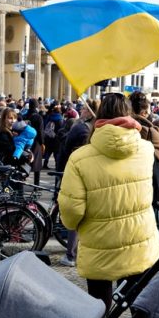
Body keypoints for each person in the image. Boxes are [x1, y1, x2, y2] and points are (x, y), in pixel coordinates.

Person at [59, 93, 159, 318]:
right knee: (139, 305)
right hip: (139, 241)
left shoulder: (80, 158)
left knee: (99, 305)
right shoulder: (146, 150)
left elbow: (71, 212)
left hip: (100, 242)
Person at [56, 99, 99, 267]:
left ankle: (71, 254)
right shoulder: (94, 128)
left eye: (84, 108)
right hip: (90, 173)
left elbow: (67, 147)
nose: (81, 110)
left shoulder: (81, 128)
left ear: (89, 112)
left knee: (75, 212)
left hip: (74, 173)